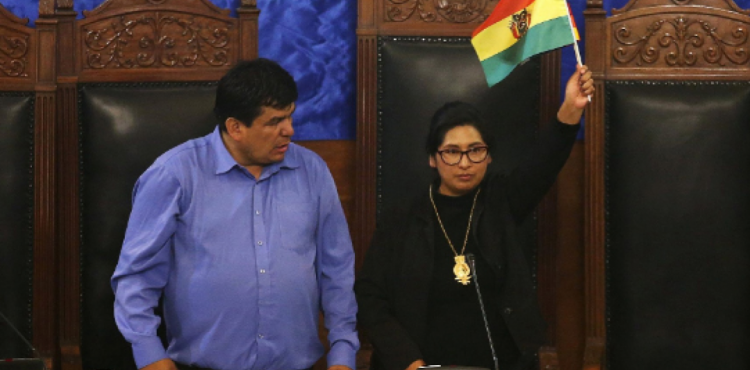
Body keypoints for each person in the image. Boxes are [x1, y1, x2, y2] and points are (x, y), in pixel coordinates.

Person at [111, 58, 359, 370]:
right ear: (235, 127)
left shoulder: (312, 171)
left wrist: (342, 354)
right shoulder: (174, 174)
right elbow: (136, 277)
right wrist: (151, 355)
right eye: (274, 122)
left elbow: (336, 271)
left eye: (290, 117)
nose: (289, 131)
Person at [355, 66, 594, 370]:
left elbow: (543, 164)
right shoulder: (401, 219)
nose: (465, 163)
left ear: (489, 155)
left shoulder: (501, 200)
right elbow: (370, 296)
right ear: (432, 158)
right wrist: (409, 362)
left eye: (475, 150)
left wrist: (572, 107)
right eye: (452, 152)